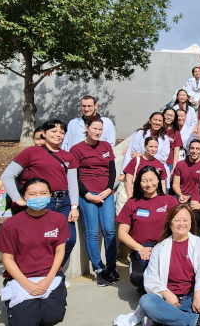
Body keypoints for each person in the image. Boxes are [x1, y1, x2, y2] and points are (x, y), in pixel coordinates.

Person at [0, 178, 69, 326]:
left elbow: (60, 251)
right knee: (25, 322)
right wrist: (27, 284)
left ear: (50, 195)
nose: (38, 197)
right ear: (24, 197)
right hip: (21, 279)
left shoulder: (58, 219)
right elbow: (7, 259)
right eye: (32, 194)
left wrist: (48, 280)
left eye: (43, 193)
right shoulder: (11, 224)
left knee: (52, 317)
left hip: (49, 276)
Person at [0, 120, 79, 268]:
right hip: (42, 203)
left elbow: (73, 183)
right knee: (41, 242)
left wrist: (74, 206)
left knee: (69, 239)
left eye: (62, 132)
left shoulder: (69, 156)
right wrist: (18, 199)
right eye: (54, 131)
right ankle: (39, 274)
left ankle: (53, 272)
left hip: (64, 203)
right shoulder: (31, 152)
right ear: (44, 133)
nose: (58, 135)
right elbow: (7, 176)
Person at [139, 204, 200, 326]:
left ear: (191, 223)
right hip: (166, 298)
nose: (181, 224)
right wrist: (166, 293)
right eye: (177, 220)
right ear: (170, 224)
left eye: (185, 220)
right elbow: (151, 277)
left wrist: (198, 294)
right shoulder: (159, 248)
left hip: (191, 295)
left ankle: (162, 319)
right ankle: (196, 321)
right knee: (146, 301)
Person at [70, 116, 118, 286]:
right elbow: (74, 176)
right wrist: (87, 195)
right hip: (87, 196)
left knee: (109, 229)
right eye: (94, 129)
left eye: (100, 129)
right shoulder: (76, 149)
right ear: (87, 128)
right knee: (92, 232)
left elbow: (112, 171)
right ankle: (99, 269)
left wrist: (108, 190)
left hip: (106, 193)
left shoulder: (106, 146)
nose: (97, 132)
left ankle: (112, 267)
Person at [116, 166, 177, 295]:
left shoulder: (170, 201)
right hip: (141, 250)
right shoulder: (132, 203)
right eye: (144, 181)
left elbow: (179, 228)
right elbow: (122, 233)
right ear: (139, 183)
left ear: (158, 180)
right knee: (137, 277)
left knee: (172, 276)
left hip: (165, 248)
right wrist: (140, 248)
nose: (149, 184)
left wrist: (157, 248)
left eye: (152, 179)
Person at [162, 107, 183, 188]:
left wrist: (174, 169)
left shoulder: (176, 133)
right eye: (167, 114)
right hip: (156, 162)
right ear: (163, 115)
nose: (169, 117)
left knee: (167, 187)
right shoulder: (157, 129)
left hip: (169, 164)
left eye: (171, 115)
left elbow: (176, 152)